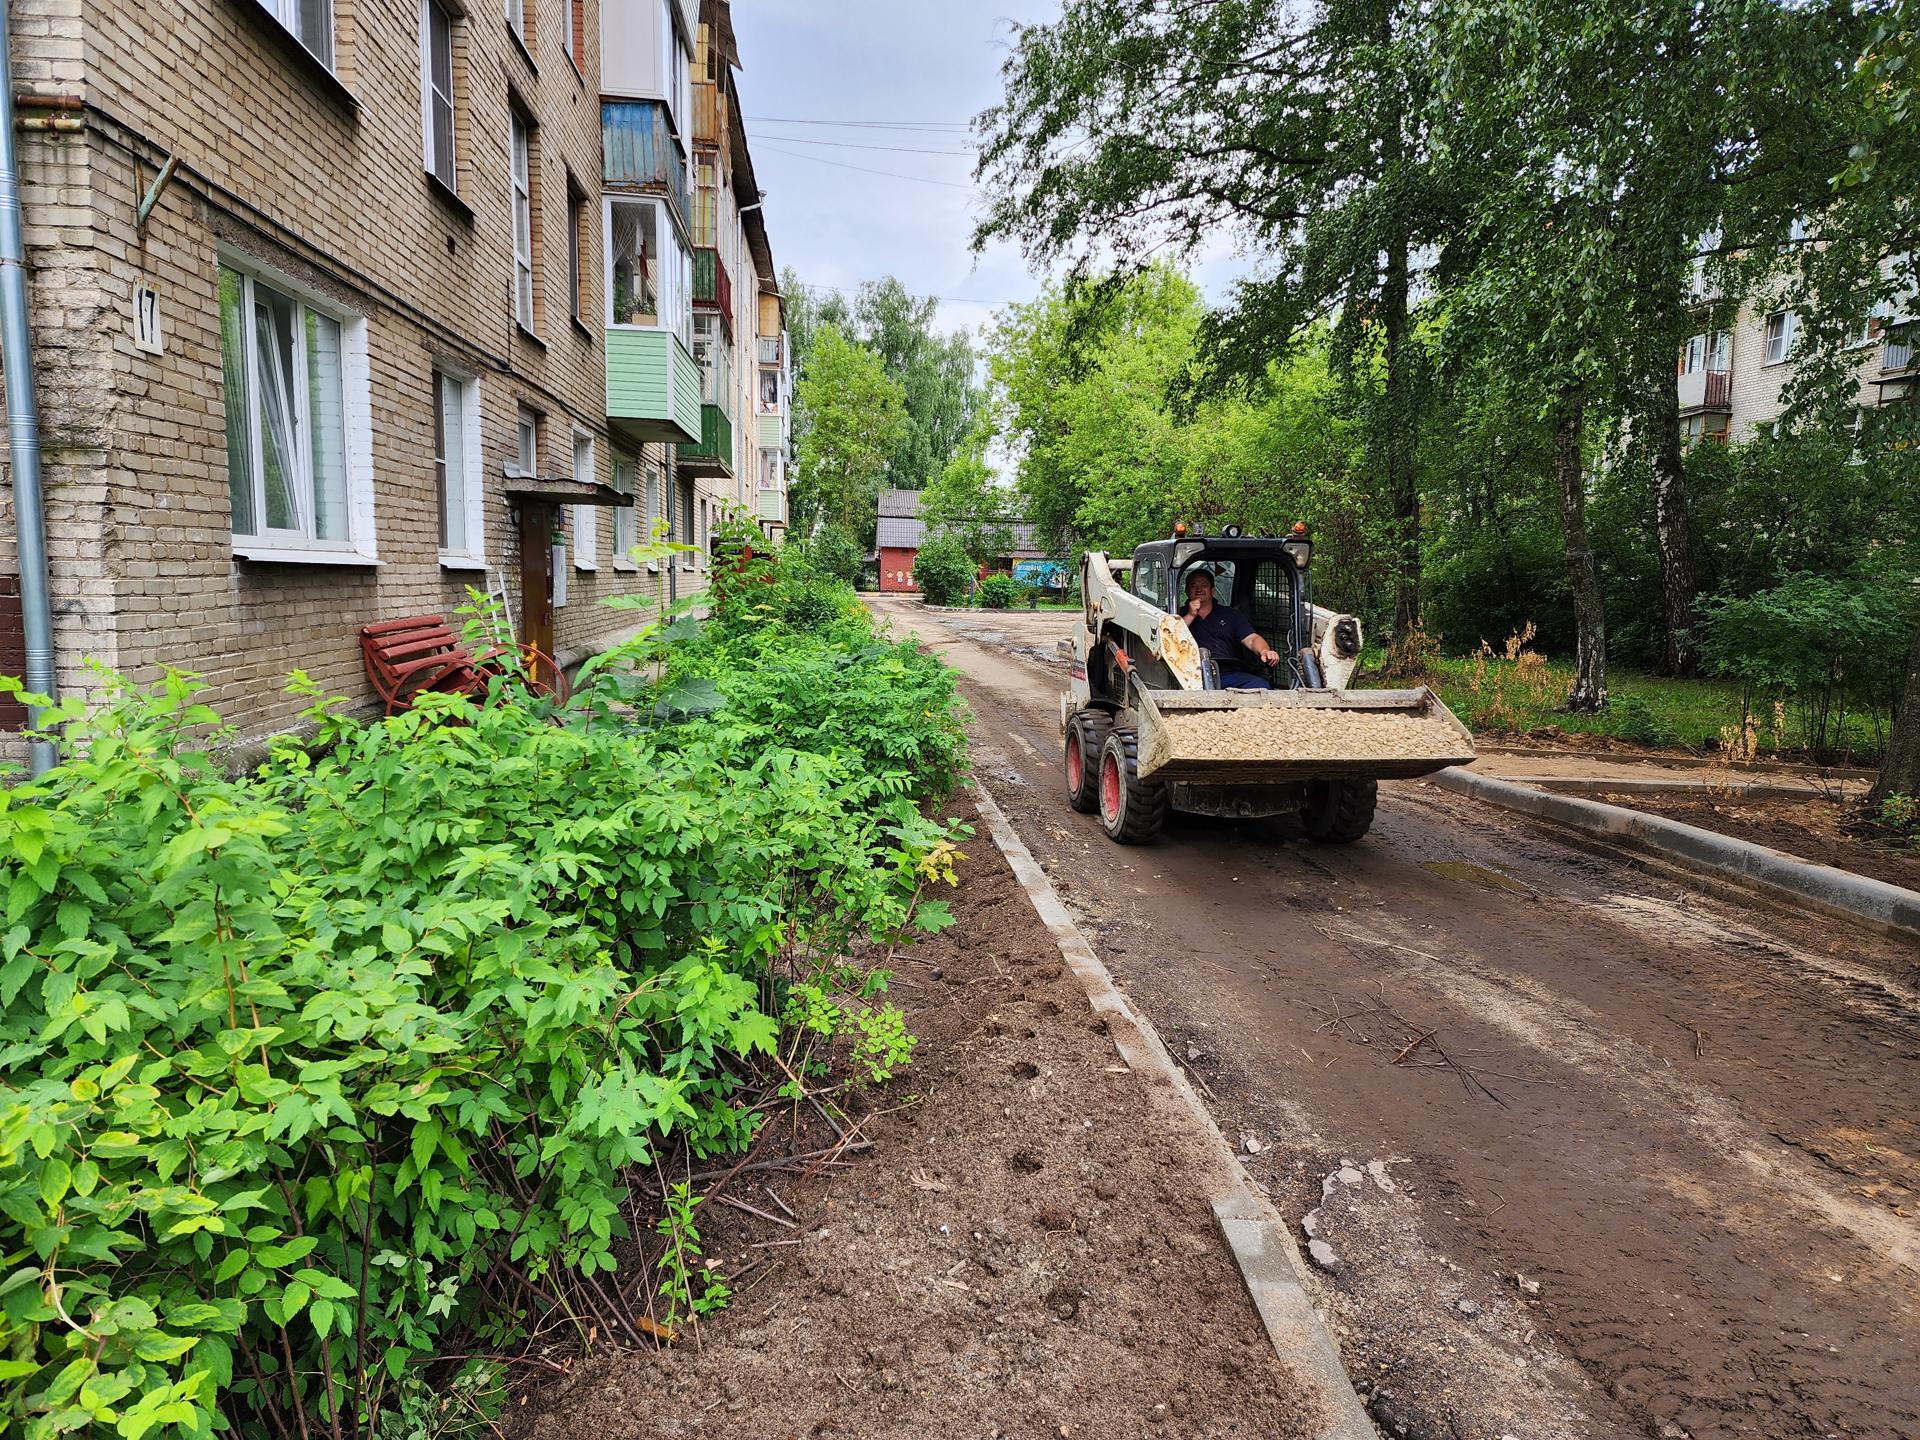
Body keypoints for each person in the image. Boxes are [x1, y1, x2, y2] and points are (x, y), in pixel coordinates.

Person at [1179, 567, 1282, 689]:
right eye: (1193, 586)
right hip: (1188, 674)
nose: (1199, 589)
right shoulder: (1176, 615)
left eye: (1204, 585)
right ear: (1186, 591)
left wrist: (1264, 651)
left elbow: (1251, 638)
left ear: (1212, 590)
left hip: (1226, 673)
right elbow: (1171, 637)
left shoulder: (1231, 615)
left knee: (1260, 685)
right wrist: (1190, 615)